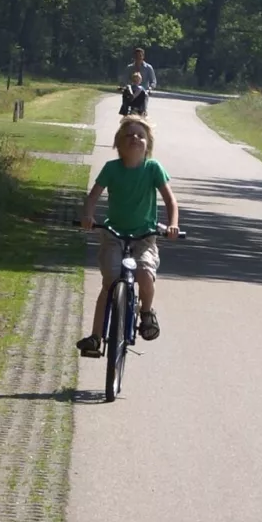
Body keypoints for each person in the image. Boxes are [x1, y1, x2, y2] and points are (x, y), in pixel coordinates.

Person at [77, 114, 180, 356]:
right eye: (129, 135)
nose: (135, 138)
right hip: (114, 234)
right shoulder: (111, 169)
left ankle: (146, 313)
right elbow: (93, 197)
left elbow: (170, 201)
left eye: (140, 136)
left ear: (148, 144)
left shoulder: (153, 169)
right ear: (118, 144)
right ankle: (96, 336)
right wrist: (88, 216)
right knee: (110, 281)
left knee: (145, 273)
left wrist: (173, 224)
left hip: (145, 236)